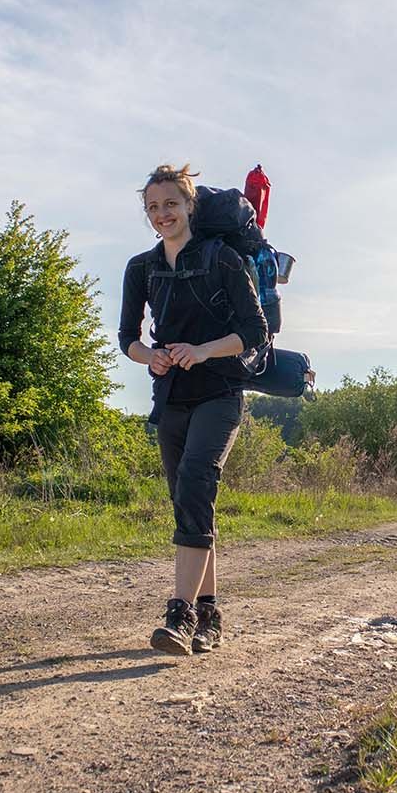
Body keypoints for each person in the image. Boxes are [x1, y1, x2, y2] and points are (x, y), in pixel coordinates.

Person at [119, 163, 268, 657]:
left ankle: (178, 615)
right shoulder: (141, 267)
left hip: (220, 391)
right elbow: (128, 340)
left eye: (171, 205)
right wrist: (152, 356)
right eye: (153, 208)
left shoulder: (221, 257)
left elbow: (254, 331)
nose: (163, 215)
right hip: (172, 396)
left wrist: (202, 350)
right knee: (189, 502)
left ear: (189, 207)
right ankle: (209, 615)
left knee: (196, 483)